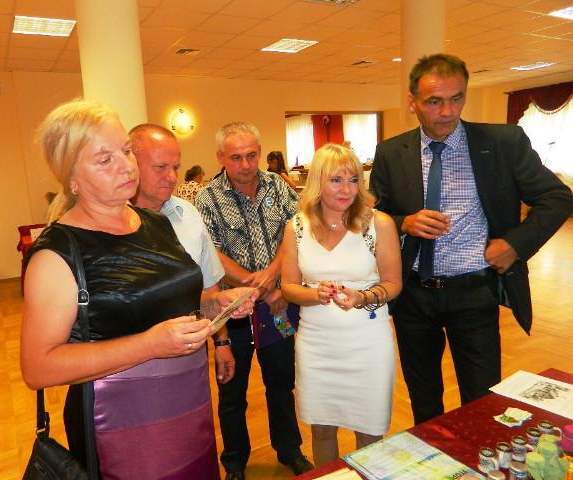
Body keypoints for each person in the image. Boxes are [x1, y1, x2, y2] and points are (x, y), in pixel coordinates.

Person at [21, 99, 254, 480]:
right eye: (104, 159)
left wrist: (215, 305)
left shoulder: (155, 223)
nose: (126, 166)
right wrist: (149, 345)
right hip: (121, 422)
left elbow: (167, 305)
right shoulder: (59, 252)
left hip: (188, 402)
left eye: (126, 151)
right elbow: (38, 367)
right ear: (72, 178)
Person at [369, 53, 573, 425]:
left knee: (481, 402)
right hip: (413, 295)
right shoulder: (391, 153)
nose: (447, 111)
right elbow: (372, 217)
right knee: (424, 401)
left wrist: (514, 244)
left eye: (457, 98)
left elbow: (557, 197)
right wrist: (404, 222)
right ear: (412, 102)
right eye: (434, 101)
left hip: (474, 293)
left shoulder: (502, 142)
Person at [195, 122, 314, 479]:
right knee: (232, 392)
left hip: (278, 306)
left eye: (251, 155)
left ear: (260, 152)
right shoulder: (207, 198)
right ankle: (234, 462)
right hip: (231, 311)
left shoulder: (278, 186)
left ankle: (289, 449)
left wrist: (275, 279)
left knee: (281, 384)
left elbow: (297, 234)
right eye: (236, 157)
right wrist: (255, 286)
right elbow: (211, 253)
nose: (245, 165)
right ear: (220, 157)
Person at [281, 143, 402, 466]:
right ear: (317, 182)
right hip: (317, 346)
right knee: (321, 430)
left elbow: (393, 283)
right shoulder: (296, 227)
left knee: (369, 433)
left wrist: (362, 297)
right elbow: (289, 287)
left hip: (368, 344)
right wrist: (315, 294)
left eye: (353, 180)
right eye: (336, 180)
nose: (347, 189)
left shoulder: (379, 224)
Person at [130, 123, 235, 385]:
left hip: (190, 357)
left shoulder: (188, 214)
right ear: (130, 164)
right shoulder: (108, 224)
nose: (171, 177)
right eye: (160, 167)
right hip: (130, 367)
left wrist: (222, 341)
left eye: (175, 167)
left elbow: (210, 286)